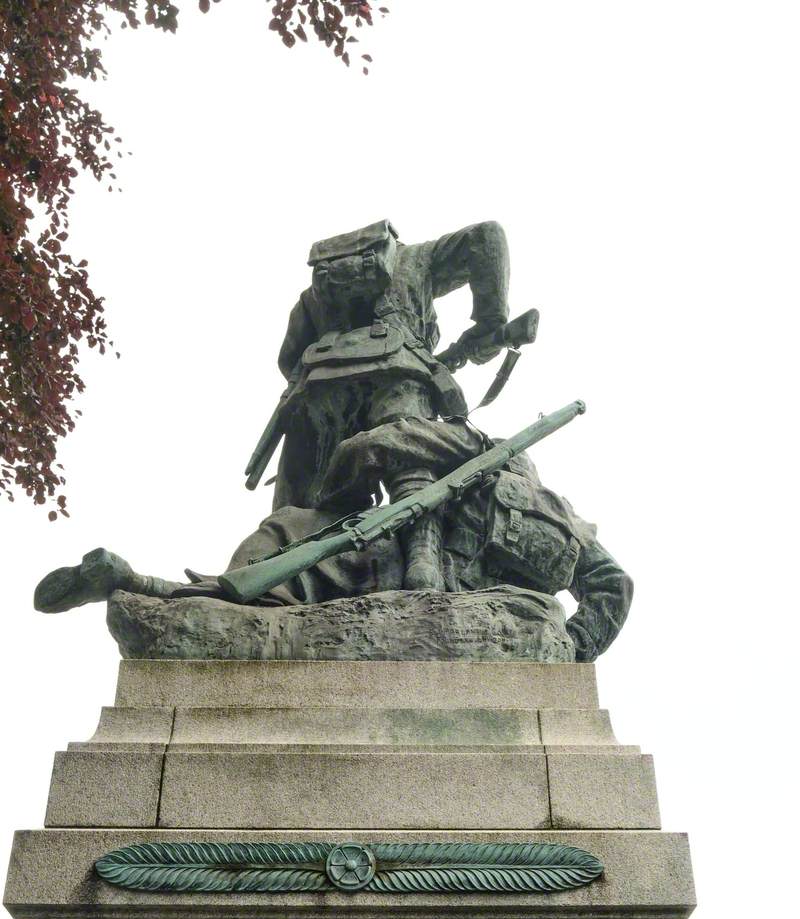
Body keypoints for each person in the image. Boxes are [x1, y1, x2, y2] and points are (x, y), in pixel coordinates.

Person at [34, 417, 632, 662]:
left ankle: (139, 583)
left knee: (282, 546)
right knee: (270, 571)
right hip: (392, 572)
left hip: (378, 569)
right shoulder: (567, 521)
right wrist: (576, 649)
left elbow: (364, 449)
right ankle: (140, 585)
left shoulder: (469, 449)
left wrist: (351, 500)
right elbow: (613, 585)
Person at [259, 219, 512, 589]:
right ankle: (421, 564)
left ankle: (281, 577)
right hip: (399, 377)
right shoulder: (418, 259)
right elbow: (487, 236)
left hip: (319, 394)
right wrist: (491, 321)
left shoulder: (315, 294)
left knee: (309, 501)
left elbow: (289, 360)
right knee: (410, 463)